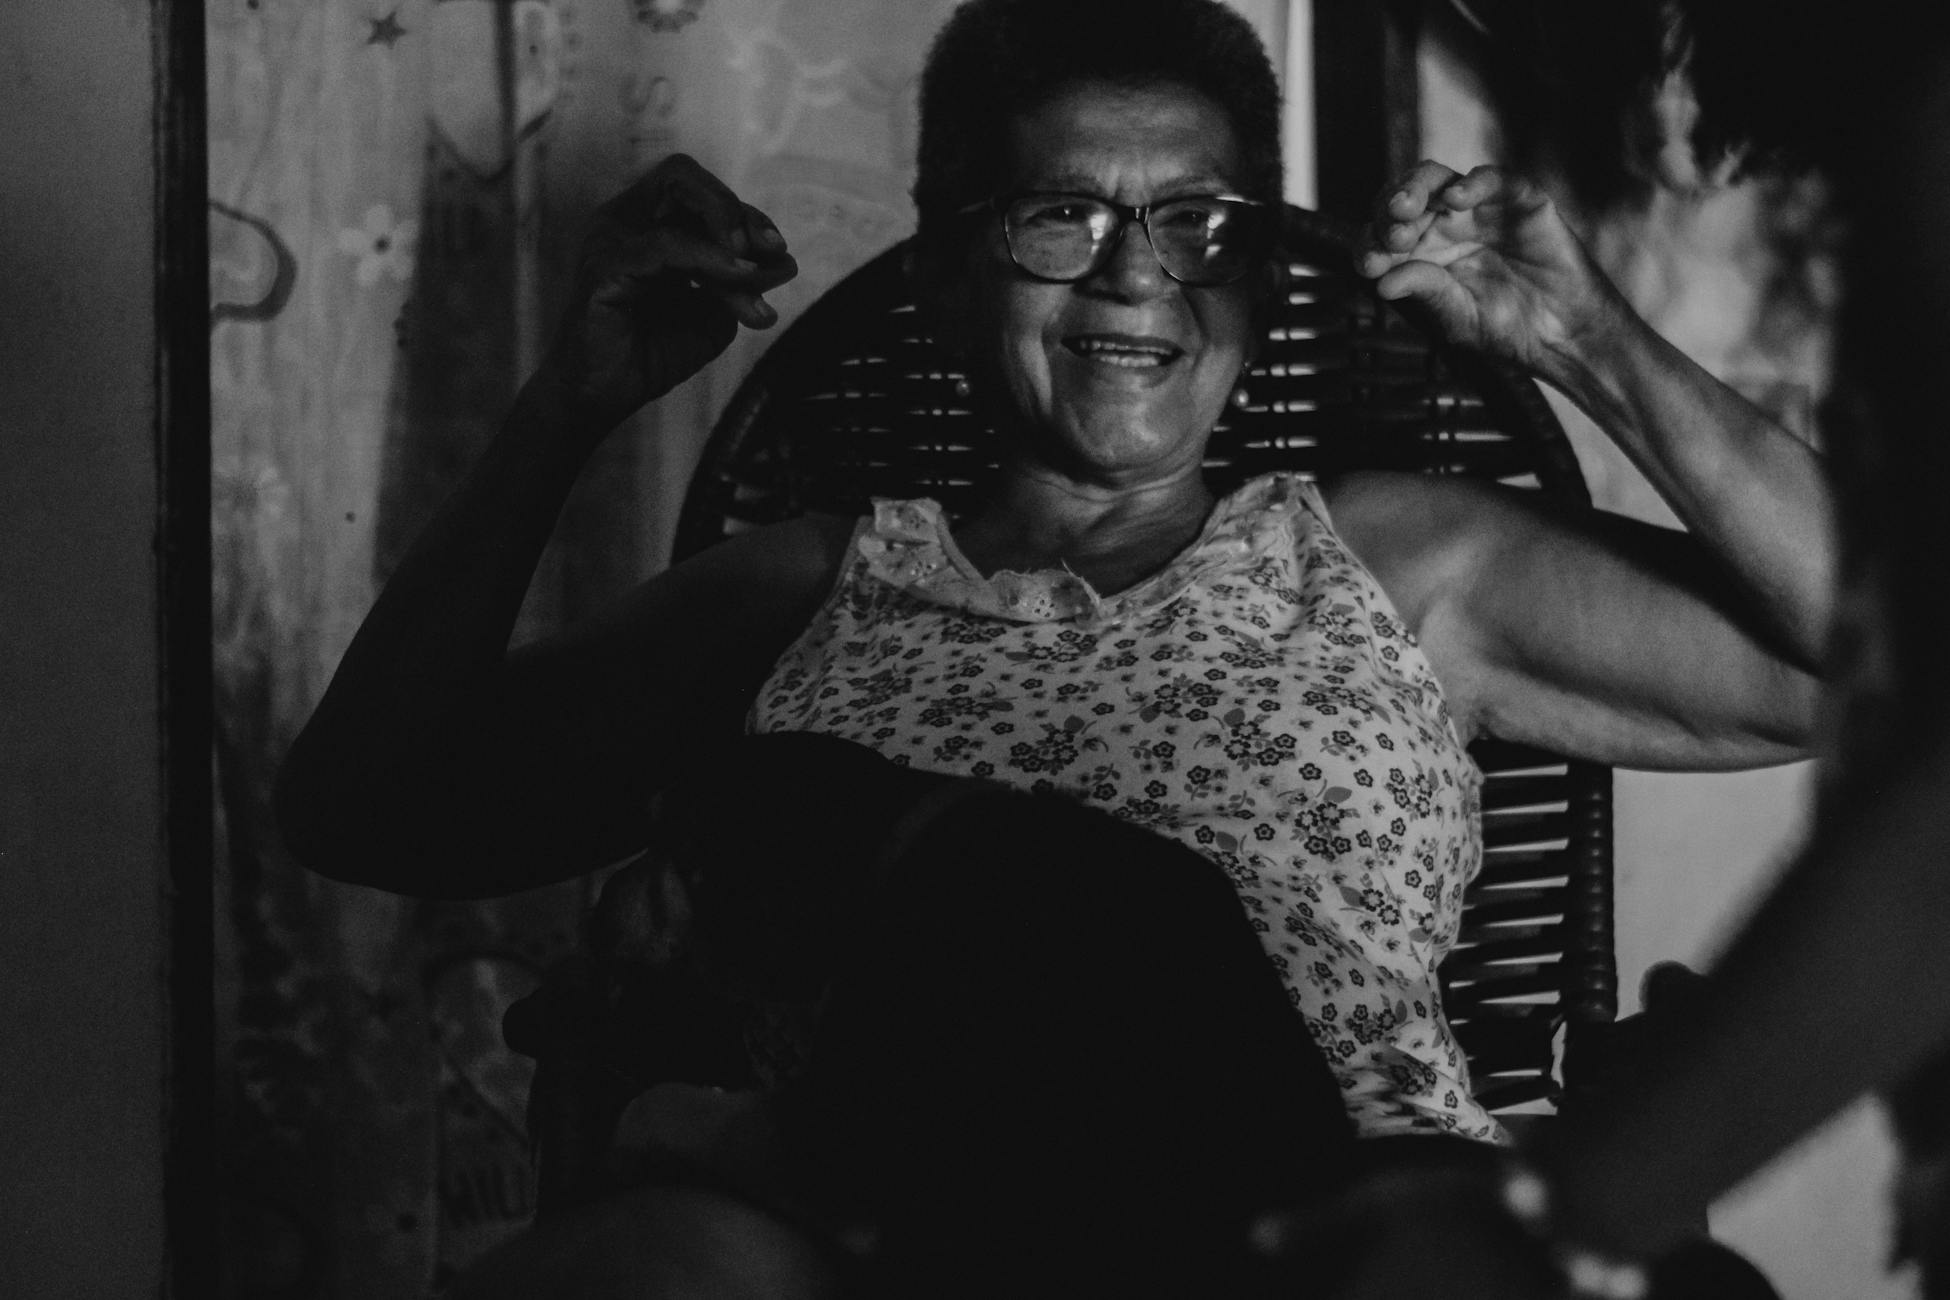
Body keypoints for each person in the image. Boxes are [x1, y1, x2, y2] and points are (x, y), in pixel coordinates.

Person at [275, 0, 1834, 1290]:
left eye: (1196, 219)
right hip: (905, 1240)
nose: (1137, 271)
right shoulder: (799, 588)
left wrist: (1586, 343)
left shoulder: (1394, 556)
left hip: (1321, 1232)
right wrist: (566, 408)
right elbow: (365, 807)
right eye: (1060, 214)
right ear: (948, 269)